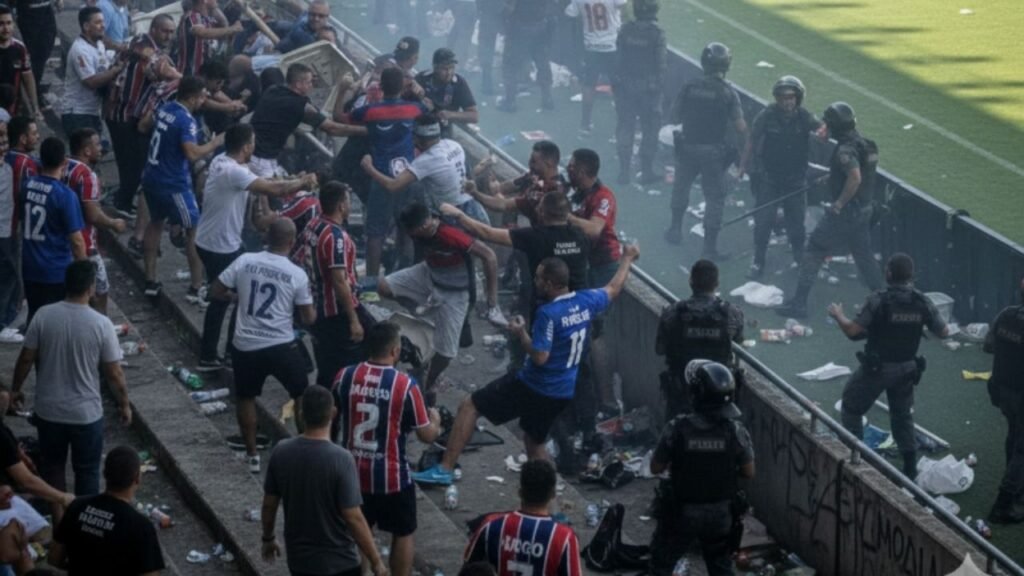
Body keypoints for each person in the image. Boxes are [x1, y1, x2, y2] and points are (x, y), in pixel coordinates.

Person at [414, 246, 640, 485]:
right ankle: (550, 505)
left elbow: (540, 357)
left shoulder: (549, 313)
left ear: (551, 283)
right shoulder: (586, 301)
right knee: (535, 444)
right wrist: (627, 259)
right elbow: (614, 288)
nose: (536, 282)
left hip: (534, 385)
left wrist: (521, 334)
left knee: (469, 406)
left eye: (539, 278)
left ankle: (445, 469)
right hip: (562, 391)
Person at [195, 123, 316, 371]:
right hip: (220, 245)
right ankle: (225, 353)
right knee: (235, 296)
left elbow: (269, 182)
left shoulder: (224, 162)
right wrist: (302, 182)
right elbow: (274, 188)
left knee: (225, 297)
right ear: (247, 146)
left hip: (213, 240)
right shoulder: (233, 171)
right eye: (252, 143)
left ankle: (214, 353)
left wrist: (292, 179)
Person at [10, 260, 132, 501]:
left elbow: (25, 359)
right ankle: (84, 529)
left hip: (49, 411)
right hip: (85, 414)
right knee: (87, 473)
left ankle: (60, 527)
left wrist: (15, 390)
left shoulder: (44, 315)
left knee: (52, 470)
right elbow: (114, 373)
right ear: (90, 288)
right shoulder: (101, 324)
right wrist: (124, 403)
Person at [827, 253, 948, 478]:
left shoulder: (878, 299)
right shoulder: (923, 301)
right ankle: (910, 467)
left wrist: (838, 315)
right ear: (911, 275)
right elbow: (943, 331)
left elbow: (853, 332)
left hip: (877, 369)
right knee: (902, 417)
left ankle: (856, 457)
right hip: (907, 369)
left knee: (851, 408)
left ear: (889, 273)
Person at [334, 321, 441, 576]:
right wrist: (435, 420)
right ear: (395, 351)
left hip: (352, 473)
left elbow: (333, 415)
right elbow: (426, 435)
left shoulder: (344, 376)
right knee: (403, 532)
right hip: (391, 476)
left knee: (361, 527)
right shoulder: (405, 385)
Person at [211, 218, 316, 473]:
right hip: (280, 344)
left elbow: (216, 290)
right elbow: (309, 317)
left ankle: (252, 456)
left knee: (246, 397)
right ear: (291, 242)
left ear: (267, 237)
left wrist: (236, 296)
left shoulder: (245, 261)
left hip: (245, 344)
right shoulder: (296, 274)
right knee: (301, 393)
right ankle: (306, 454)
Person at [379, 203, 501, 404]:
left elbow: (489, 256)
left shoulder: (449, 234)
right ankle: (425, 315)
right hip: (429, 273)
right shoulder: (419, 231)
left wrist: (492, 301)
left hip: (456, 291)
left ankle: (428, 382)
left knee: (446, 353)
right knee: (384, 287)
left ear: (421, 227)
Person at [261, 386, 389, 576]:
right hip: (340, 562)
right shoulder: (341, 459)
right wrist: (376, 562)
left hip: (300, 561)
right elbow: (353, 517)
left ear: (302, 414)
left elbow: (269, 504)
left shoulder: (281, 451)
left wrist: (268, 538)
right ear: (333, 413)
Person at [777, 102, 885, 318]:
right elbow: (861, 174)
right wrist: (831, 177)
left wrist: (838, 204)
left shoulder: (844, 150)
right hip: (864, 211)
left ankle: (799, 304)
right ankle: (885, 302)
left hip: (845, 213)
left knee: (815, 249)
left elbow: (855, 177)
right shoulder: (868, 145)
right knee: (864, 256)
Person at [648, 360, 754, 576]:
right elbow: (749, 472)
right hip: (722, 514)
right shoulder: (735, 431)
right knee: (721, 566)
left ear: (696, 395)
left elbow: (655, 467)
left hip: (682, 513)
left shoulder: (676, 428)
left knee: (661, 564)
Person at [140, 76, 224, 299]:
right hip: (173, 183)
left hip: (151, 176)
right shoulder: (187, 120)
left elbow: (144, 124)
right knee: (194, 229)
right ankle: (197, 288)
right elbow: (192, 153)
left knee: (155, 223)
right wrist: (215, 143)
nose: (204, 101)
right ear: (193, 96)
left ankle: (150, 280)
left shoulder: (166, 108)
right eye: (203, 96)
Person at [666, 42, 748, 260]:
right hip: (713, 152)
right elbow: (741, 127)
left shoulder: (689, 86)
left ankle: (675, 229)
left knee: (681, 187)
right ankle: (709, 247)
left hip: (687, 147)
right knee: (715, 197)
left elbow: (674, 117)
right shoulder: (728, 92)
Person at [347, 67, 426, 277]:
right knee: (407, 228)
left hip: (380, 178)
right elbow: (429, 110)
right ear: (403, 86)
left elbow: (340, 116)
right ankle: (403, 278)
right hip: (407, 177)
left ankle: (371, 285)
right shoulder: (414, 109)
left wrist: (341, 91)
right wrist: (417, 93)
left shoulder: (371, 111)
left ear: (381, 87)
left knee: (375, 232)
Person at [291, 182, 370, 391]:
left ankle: (324, 406)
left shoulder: (313, 225)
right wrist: (354, 320)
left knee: (327, 363)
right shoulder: (335, 237)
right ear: (342, 206)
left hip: (316, 307)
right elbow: (339, 281)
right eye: (347, 201)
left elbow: (297, 258)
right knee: (348, 361)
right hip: (337, 311)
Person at [740, 76, 821, 279]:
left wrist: (825, 130)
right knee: (763, 222)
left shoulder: (805, 117)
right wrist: (743, 166)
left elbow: (822, 130)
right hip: (770, 179)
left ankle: (799, 257)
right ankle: (758, 261)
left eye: (791, 97)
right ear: (777, 99)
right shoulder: (766, 116)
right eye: (783, 98)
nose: (787, 102)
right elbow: (752, 140)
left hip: (795, 180)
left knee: (796, 224)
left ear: (797, 98)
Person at [106, 13, 181, 219]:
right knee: (133, 162)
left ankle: (124, 200)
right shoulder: (142, 45)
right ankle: (122, 203)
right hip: (123, 113)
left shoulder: (146, 46)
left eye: (172, 32)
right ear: (154, 30)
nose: (169, 36)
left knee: (131, 161)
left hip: (126, 112)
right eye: (165, 31)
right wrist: (184, 79)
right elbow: (158, 67)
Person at [49, 446, 165, 575]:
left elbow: (54, 558)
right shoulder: (141, 527)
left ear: (104, 474)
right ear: (137, 478)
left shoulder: (76, 506)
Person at [656, 259, 744, 417]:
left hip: (681, 393)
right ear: (717, 283)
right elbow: (739, 339)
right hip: (719, 398)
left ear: (691, 281)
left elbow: (660, 349)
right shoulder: (732, 313)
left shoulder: (672, 312)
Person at [464, 459, 581, 576]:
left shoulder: (491, 525)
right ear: (553, 494)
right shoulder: (564, 537)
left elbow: (468, 571)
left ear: (520, 492)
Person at [249, 62, 365, 179]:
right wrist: (365, 130)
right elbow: (332, 128)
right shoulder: (300, 105)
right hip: (261, 160)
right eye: (309, 82)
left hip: (249, 150)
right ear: (298, 84)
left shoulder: (273, 90)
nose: (312, 85)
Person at [20, 138, 86, 325]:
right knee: (57, 326)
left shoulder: (27, 185)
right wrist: (85, 275)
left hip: (30, 267)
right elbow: (77, 241)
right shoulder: (65, 195)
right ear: (64, 162)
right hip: (55, 271)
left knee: (35, 321)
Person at [63, 128, 127, 315]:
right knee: (99, 290)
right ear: (86, 150)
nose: (101, 148)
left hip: (63, 239)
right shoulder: (87, 175)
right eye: (97, 144)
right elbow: (92, 214)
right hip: (84, 242)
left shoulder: (65, 164)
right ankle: (99, 330)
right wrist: (113, 223)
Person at [612, 0, 665, 185]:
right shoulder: (657, 34)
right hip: (648, 90)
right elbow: (661, 65)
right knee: (650, 129)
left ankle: (624, 172)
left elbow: (617, 59)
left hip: (626, 87)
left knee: (625, 127)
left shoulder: (625, 30)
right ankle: (646, 170)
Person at [985, 278, 1024, 524]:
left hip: (1001, 389)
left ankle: (1015, 483)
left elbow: (988, 346)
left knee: (1014, 434)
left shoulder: (1007, 314)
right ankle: (1004, 503)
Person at [469, 140, 566, 227]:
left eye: (533, 161)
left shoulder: (547, 191)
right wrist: (496, 186)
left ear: (549, 163)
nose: (529, 164)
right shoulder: (535, 175)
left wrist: (475, 193)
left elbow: (503, 205)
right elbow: (511, 184)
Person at [565, 0, 626, 136]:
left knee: (589, 84)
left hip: (591, 46)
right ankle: (622, 124)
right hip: (612, 45)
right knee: (617, 85)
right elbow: (623, 6)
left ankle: (585, 123)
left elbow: (570, 14)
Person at [62, 7, 124, 137]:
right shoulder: (80, 50)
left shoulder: (99, 44)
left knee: (99, 150)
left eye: (103, 22)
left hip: (92, 111)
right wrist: (115, 71)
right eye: (98, 22)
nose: (103, 26)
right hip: (77, 114)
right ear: (86, 26)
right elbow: (91, 82)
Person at [565, 149, 619, 288]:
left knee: (595, 307)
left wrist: (565, 215)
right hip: (584, 260)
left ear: (581, 172)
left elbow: (594, 229)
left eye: (571, 166)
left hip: (603, 265)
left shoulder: (604, 197)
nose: (567, 169)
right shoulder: (577, 191)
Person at [499, 0, 555, 112]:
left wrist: (503, 19)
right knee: (542, 62)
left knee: (511, 65)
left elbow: (509, 6)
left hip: (519, 26)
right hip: (540, 25)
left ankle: (510, 101)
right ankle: (547, 98)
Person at [414, 49, 478, 139]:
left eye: (452, 68)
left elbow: (474, 116)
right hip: (418, 128)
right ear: (435, 67)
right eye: (444, 69)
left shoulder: (459, 83)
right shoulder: (423, 78)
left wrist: (450, 114)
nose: (449, 73)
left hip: (442, 133)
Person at [174, 0, 243, 77]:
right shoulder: (192, 16)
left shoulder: (208, 20)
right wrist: (233, 28)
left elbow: (224, 30)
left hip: (203, 75)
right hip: (189, 73)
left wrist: (214, 8)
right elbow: (201, 32)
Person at [12, 0, 52, 113]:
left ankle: (35, 87)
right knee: (29, 54)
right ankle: (32, 94)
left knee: (45, 48)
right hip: (27, 11)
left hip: (46, 10)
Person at [0, 6, 38, 116]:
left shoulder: (19, 49)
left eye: (9, 23)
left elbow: (28, 77)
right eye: (1, 24)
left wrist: (35, 107)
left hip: (13, 109)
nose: (6, 28)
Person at [6, 116, 38, 200]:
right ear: (23, 139)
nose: (38, 136)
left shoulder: (4, 155)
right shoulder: (27, 162)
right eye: (34, 133)